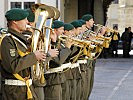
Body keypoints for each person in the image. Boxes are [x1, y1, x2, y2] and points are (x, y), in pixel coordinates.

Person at [1, 8, 46, 100]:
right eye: (24, 19)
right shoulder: (7, 40)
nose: (28, 22)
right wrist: (34, 56)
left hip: (26, 88)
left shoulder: (21, 39)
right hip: (14, 91)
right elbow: (12, 66)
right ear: (15, 21)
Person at [44, 20, 73, 100]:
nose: (63, 32)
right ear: (54, 30)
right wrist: (67, 48)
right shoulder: (47, 42)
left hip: (58, 77)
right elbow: (58, 61)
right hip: (51, 79)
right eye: (61, 29)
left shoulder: (57, 42)